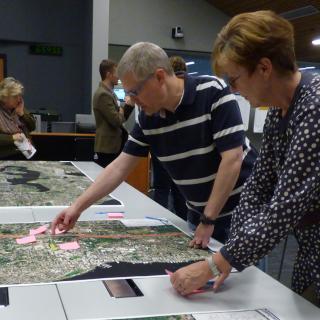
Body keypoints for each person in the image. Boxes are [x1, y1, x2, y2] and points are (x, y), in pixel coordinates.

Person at [170, 11, 320, 306]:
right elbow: (258, 187)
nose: (233, 90)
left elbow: (283, 208)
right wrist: (231, 254)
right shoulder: (279, 110)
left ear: (264, 68)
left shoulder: (314, 109)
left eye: (235, 79)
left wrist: (216, 263)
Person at [51, 42, 257, 250]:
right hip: (199, 216)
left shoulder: (211, 91)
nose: (131, 100)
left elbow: (232, 159)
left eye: (135, 91)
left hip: (239, 216)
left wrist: (209, 219)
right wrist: (77, 208)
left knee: (247, 281)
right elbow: (119, 167)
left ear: (159, 77)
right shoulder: (148, 118)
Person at [151, 55, 188, 220]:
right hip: (178, 154)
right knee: (179, 190)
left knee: (161, 188)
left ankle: (158, 220)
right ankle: (183, 222)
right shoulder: (154, 106)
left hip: (161, 151)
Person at [93, 59, 134, 167]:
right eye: (116, 73)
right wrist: (122, 109)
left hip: (114, 146)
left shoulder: (111, 94)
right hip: (107, 149)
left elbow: (121, 117)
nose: (118, 77)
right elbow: (116, 121)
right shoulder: (103, 94)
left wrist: (128, 106)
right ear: (108, 74)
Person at [0, 77, 36, 160]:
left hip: (25, 154)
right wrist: (12, 138)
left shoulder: (18, 107)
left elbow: (32, 127)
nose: (19, 99)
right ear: (4, 97)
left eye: (20, 96)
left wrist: (22, 114)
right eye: (15, 96)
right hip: (5, 157)